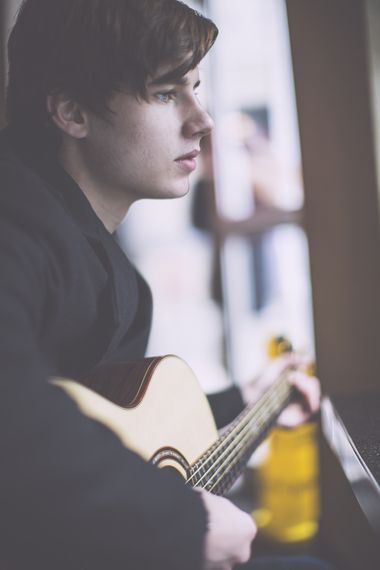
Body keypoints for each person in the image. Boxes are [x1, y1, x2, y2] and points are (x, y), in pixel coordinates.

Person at [0, 1, 332, 569]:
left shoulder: (93, 246)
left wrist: (242, 402)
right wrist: (185, 521)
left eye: (197, 88)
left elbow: (109, 425)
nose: (202, 120)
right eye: (164, 93)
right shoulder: (15, 220)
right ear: (71, 112)